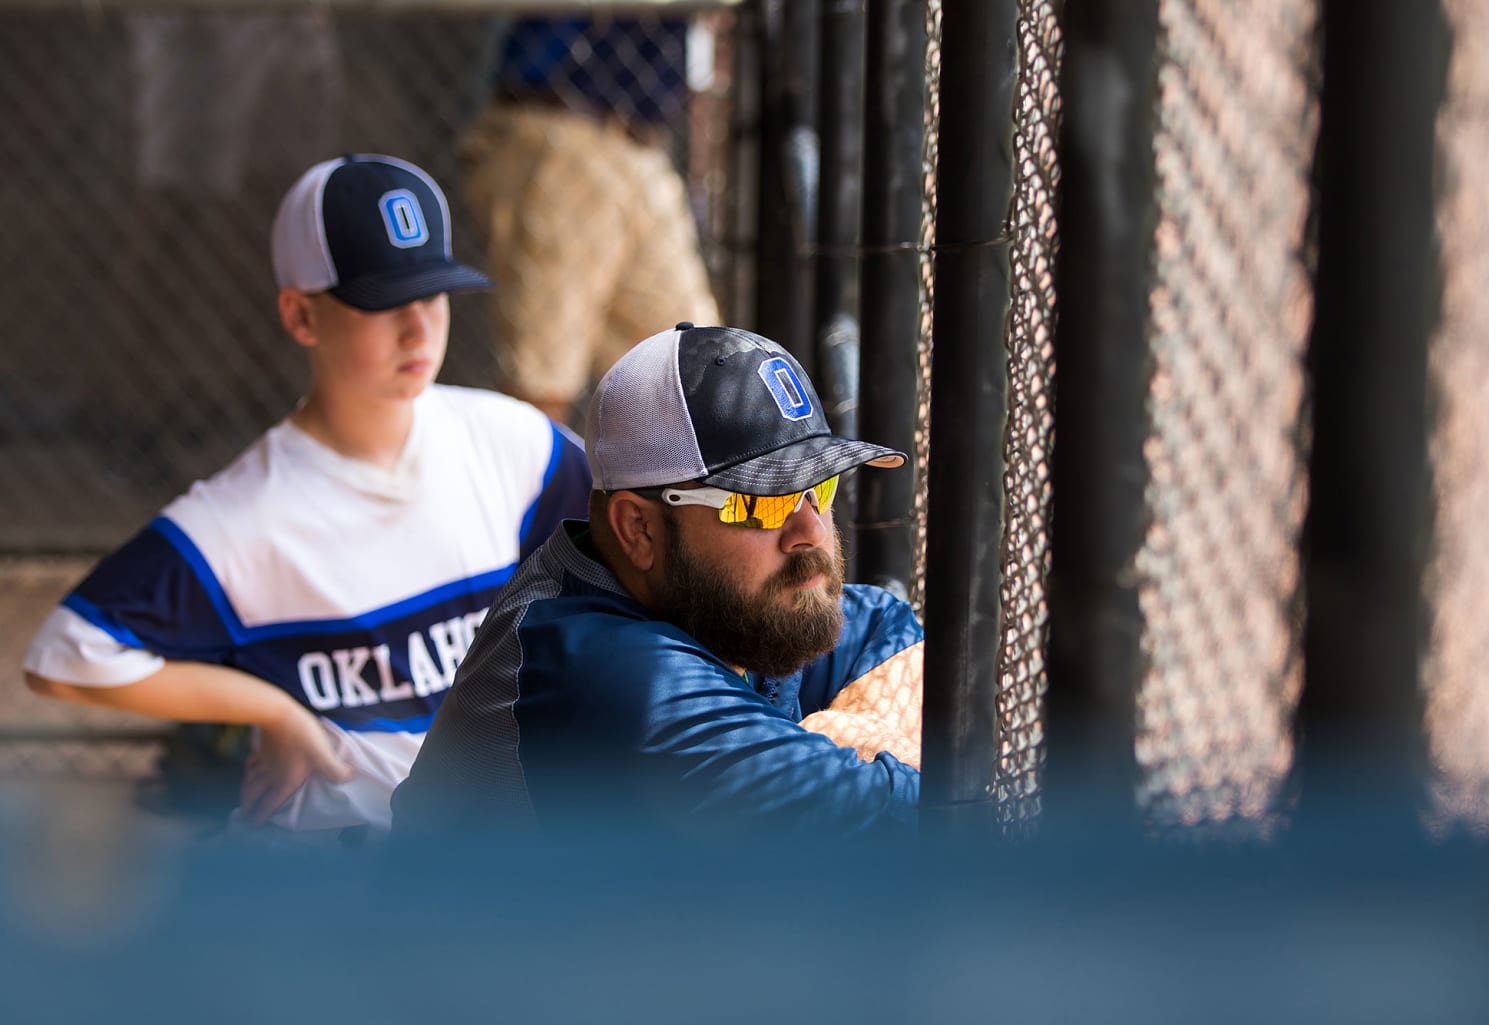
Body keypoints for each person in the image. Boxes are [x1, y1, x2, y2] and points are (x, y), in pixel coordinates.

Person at [22, 154, 592, 841]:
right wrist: (275, 710)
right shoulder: (245, 516)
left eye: (433, 294)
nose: (418, 329)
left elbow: (629, 559)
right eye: (383, 302)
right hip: (338, 876)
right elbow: (65, 653)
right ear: (300, 315)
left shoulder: (510, 441)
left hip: (496, 855)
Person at [391, 323, 922, 840]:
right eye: (761, 503)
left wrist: (831, 748)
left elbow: (887, 624)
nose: (810, 531)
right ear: (638, 528)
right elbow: (933, 816)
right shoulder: (608, 677)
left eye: (820, 488)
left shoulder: (740, 601)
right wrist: (865, 743)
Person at [458, 15, 720, 426]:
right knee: (543, 385)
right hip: (565, 127)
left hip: (641, 143)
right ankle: (529, 488)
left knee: (699, 376)